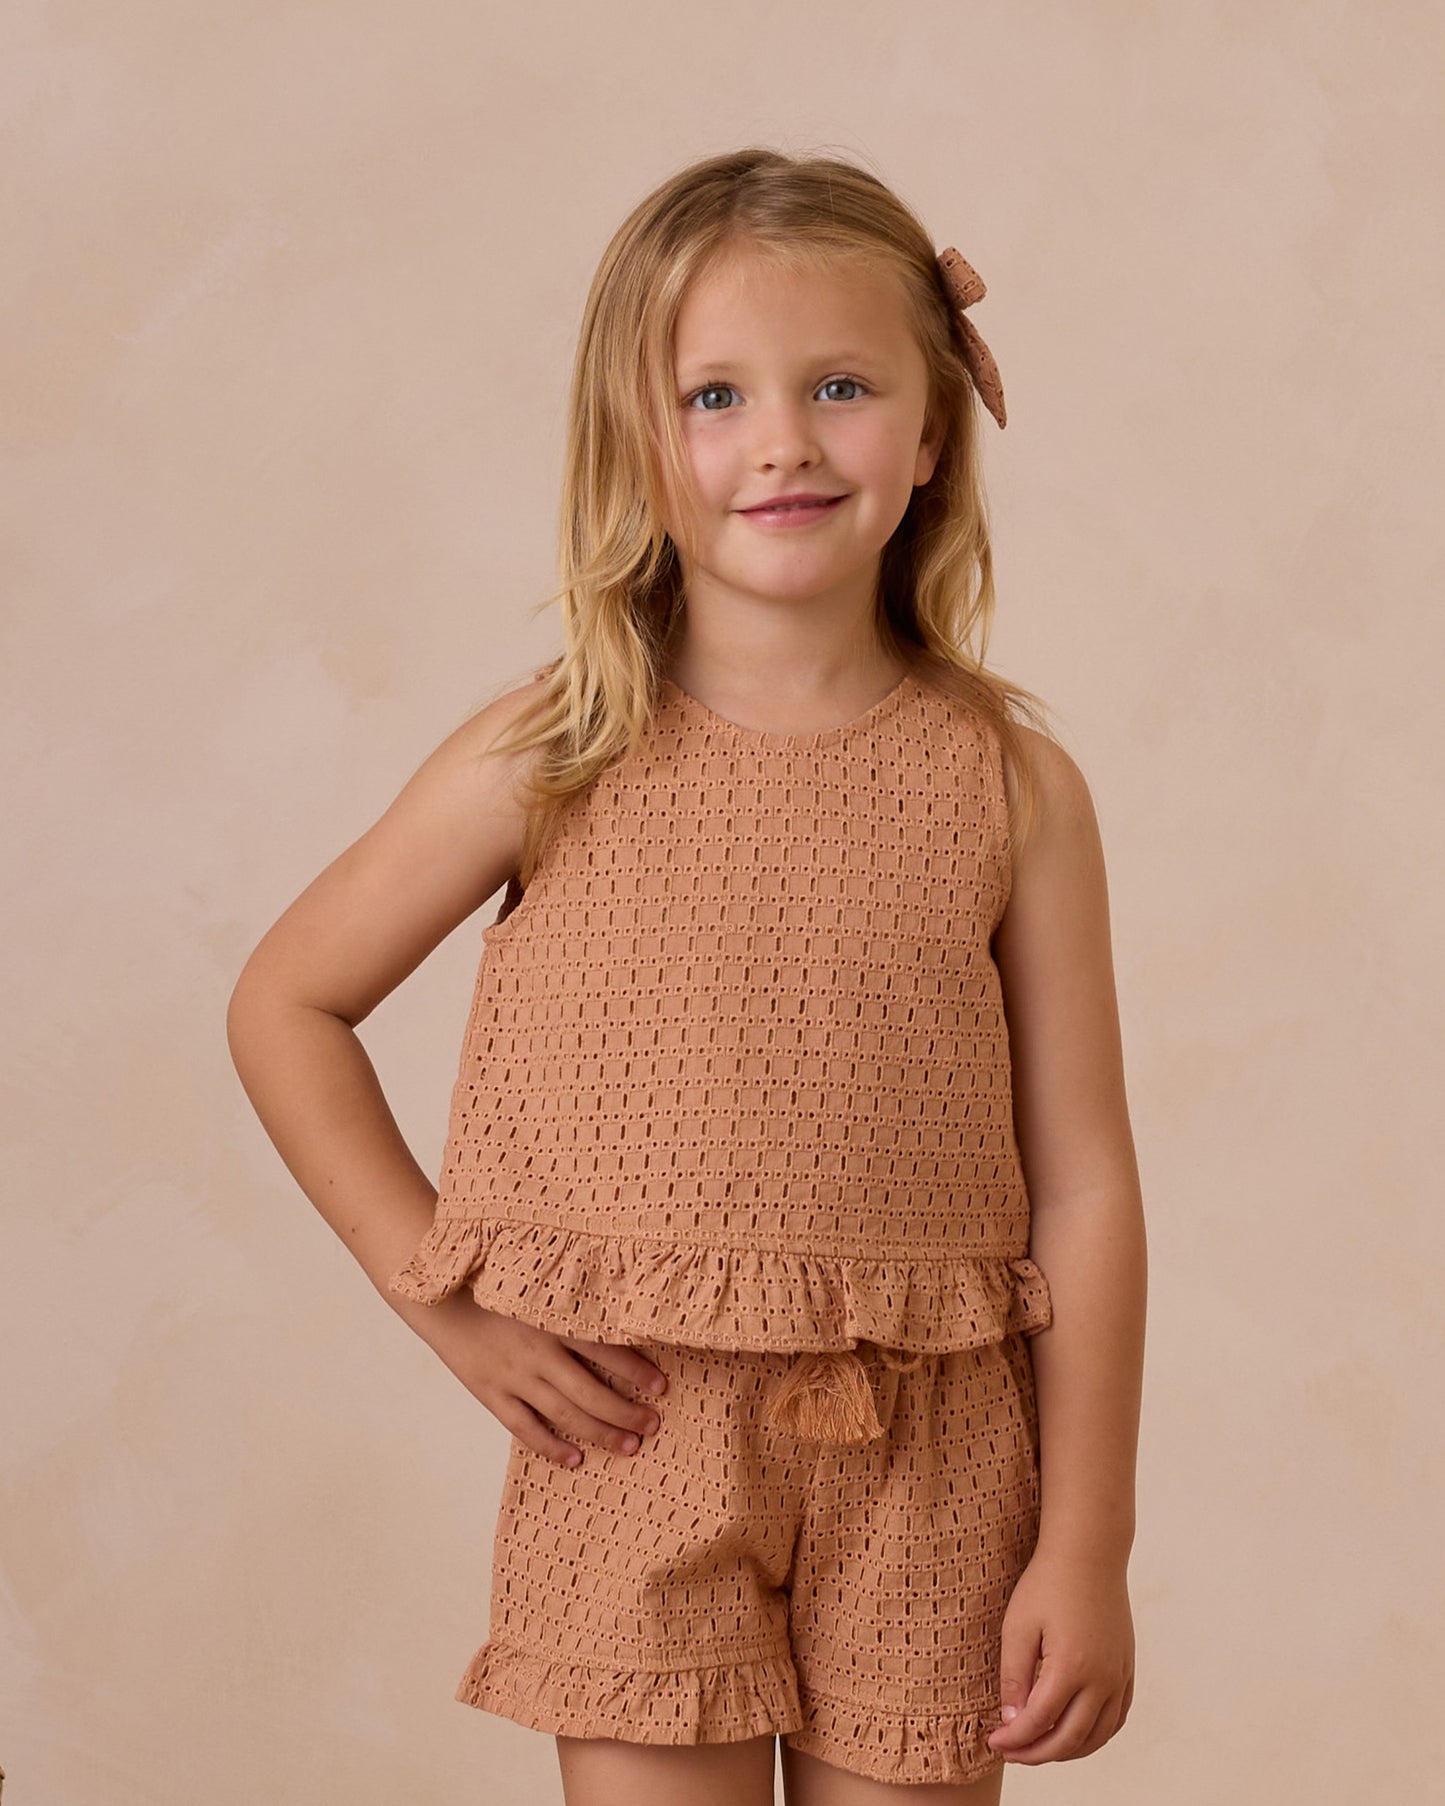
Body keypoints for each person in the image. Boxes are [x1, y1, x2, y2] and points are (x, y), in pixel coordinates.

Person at [227, 145, 1147, 1806]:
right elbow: (285, 1004)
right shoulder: (548, 753)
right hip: (636, 1433)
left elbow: (1082, 1180)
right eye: (713, 395)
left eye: (841, 385)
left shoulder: (1010, 786)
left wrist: (1086, 1540)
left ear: (931, 432)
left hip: (936, 1456)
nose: (782, 440)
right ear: (634, 445)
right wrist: (445, 1302)